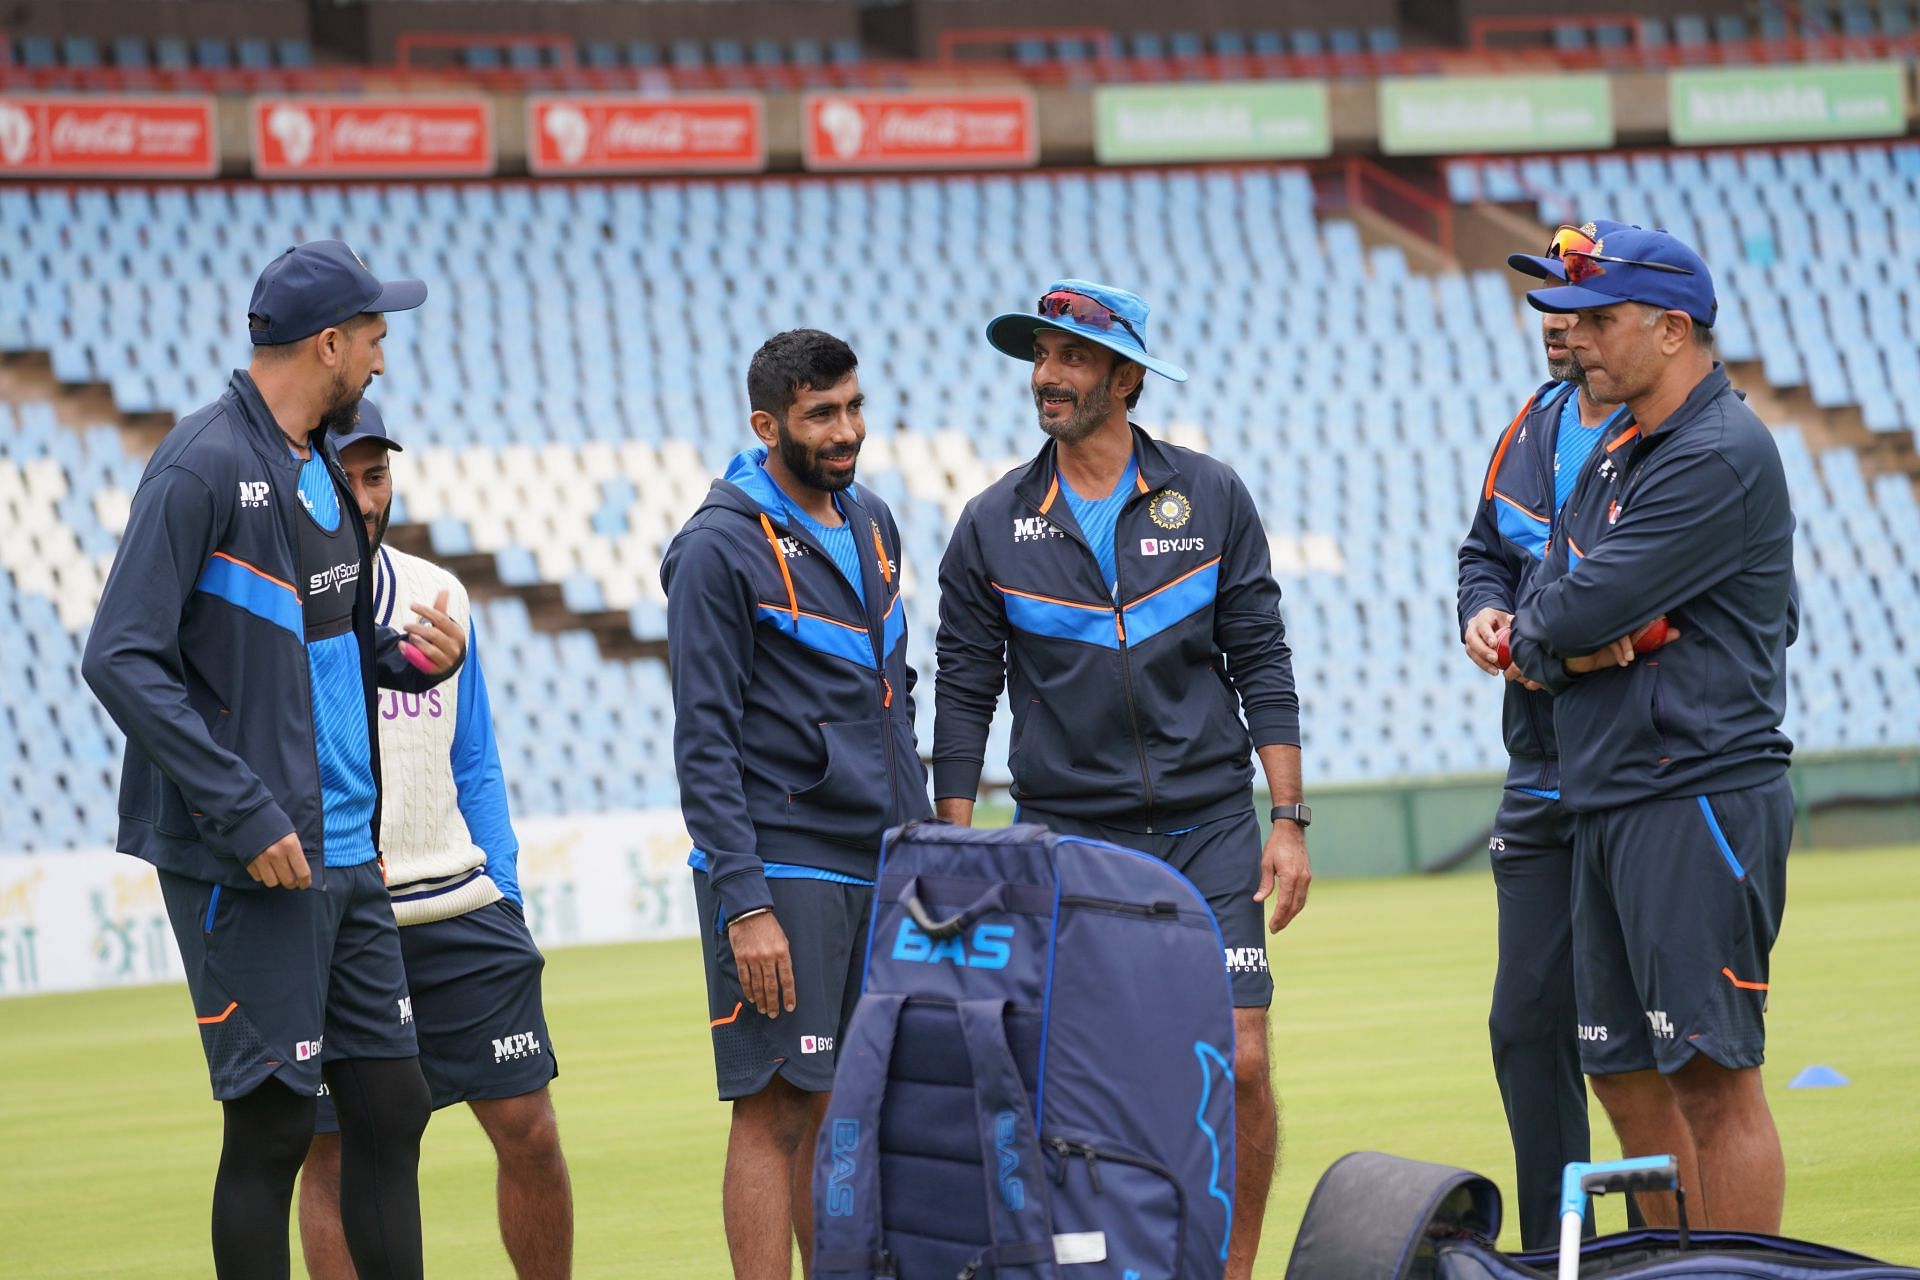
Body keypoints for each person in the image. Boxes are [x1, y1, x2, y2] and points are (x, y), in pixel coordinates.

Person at [81, 240, 466, 1279]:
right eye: (375, 337)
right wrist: (244, 814)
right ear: (329, 343)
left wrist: (407, 655)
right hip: (252, 858)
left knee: (392, 1101)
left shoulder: (317, 467)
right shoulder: (200, 462)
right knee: (271, 1130)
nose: (384, 358)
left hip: (348, 853)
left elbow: (319, 638)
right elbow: (117, 655)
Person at [932, 279, 1308, 1279]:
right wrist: (958, 839)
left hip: (1211, 827)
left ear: (1126, 376)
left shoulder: (1213, 495)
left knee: (1244, 1061)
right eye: (1040, 358)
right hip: (1070, 836)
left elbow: (1261, 656)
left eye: (1072, 359)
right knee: (1088, 1077)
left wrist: (1290, 816)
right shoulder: (991, 522)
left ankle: (1230, 1269)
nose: (1048, 377)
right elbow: (965, 692)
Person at [1509, 226, 1796, 1232]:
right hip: (1609, 791)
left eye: (1596, 317)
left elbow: (1563, 615)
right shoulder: (1616, 451)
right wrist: (1575, 640)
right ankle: (1672, 1264)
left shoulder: (1716, 453)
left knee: (1714, 1078)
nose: (1571, 334)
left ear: (1670, 328)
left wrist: (1568, 636)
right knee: (1626, 1075)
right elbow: (1548, 610)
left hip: (1696, 792)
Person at [661, 329, 929, 1278]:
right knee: (774, 1109)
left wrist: (925, 848)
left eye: (854, 407)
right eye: (822, 414)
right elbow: (704, 740)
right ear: (767, 424)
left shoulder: (874, 523)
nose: (846, 429)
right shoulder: (714, 548)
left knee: (847, 1105)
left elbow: (896, 698)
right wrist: (746, 902)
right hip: (782, 871)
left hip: (884, 866)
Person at [298, 401, 572, 1279]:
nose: (366, 496)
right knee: (335, 1156)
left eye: (378, 476)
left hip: (456, 902)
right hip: (337, 916)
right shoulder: (275, 607)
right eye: (348, 476)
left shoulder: (438, 595)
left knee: (531, 1130)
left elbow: (478, 761)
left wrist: (510, 894)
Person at [1455, 222, 1636, 1249]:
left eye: (1574, 308)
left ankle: (1689, 1256)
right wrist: (1482, 610)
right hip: (1539, 772)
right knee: (1525, 1025)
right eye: (1546, 307)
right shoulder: (1532, 422)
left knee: (1652, 1045)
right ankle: (1552, 1255)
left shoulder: (1683, 436)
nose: (1553, 327)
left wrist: (1549, 646)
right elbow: (1488, 549)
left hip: (1643, 772)